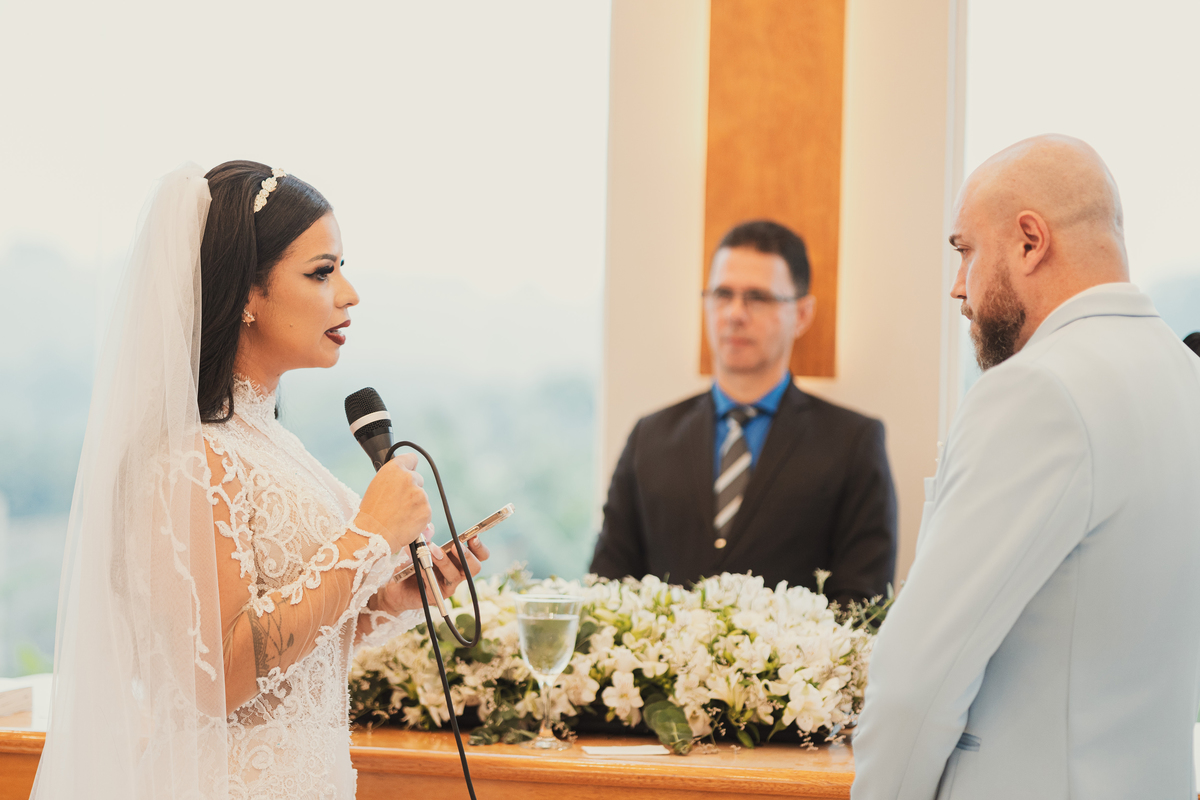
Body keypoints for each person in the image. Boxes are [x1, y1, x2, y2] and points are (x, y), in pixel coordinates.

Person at [31, 162, 489, 800]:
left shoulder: (272, 443)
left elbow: (294, 662)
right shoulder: (189, 457)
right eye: (321, 272)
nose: (349, 294)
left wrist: (388, 598)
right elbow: (216, 677)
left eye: (342, 268)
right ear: (247, 293)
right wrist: (369, 538)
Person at [851, 135, 1200, 800]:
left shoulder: (1036, 391)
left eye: (965, 250)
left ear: (1030, 241)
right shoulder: (1187, 377)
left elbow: (918, 679)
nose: (957, 286)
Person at [590, 220, 897, 606]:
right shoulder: (649, 437)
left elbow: (862, 603)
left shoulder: (852, 442)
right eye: (722, 294)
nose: (735, 313)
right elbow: (606, 586)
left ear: (802, 314)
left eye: (757, 297)